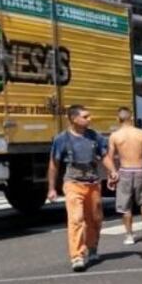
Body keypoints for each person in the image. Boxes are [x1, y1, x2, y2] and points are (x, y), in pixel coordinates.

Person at [47, 105, 118, 272]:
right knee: (76, 219)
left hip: (93, 183)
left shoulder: (94, 137)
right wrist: (51, 188)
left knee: (95, 219)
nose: (89, 119)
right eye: (85, 116)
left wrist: (113, 171)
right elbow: (54, 164)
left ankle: (92, 248)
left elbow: (104, 156)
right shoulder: (61, 139)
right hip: (73, 183)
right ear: (74, 119)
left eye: (89, 116)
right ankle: (77, 256)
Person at [106, 107, 142, 245]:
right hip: (141, 170)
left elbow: (110, 157)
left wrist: (111, 175)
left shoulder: (115, 136)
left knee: (126, 206)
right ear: (132, 118)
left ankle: (129, 235)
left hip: (125, 171)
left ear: (118, 119)